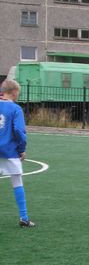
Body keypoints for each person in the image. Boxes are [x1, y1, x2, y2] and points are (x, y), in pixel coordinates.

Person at [0, 79, 35, 227]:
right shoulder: (15, 109)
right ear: (14, 92)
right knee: (17, 181)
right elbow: (19, 130)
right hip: (9, 151)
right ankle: (24, 217)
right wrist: (21, 149)